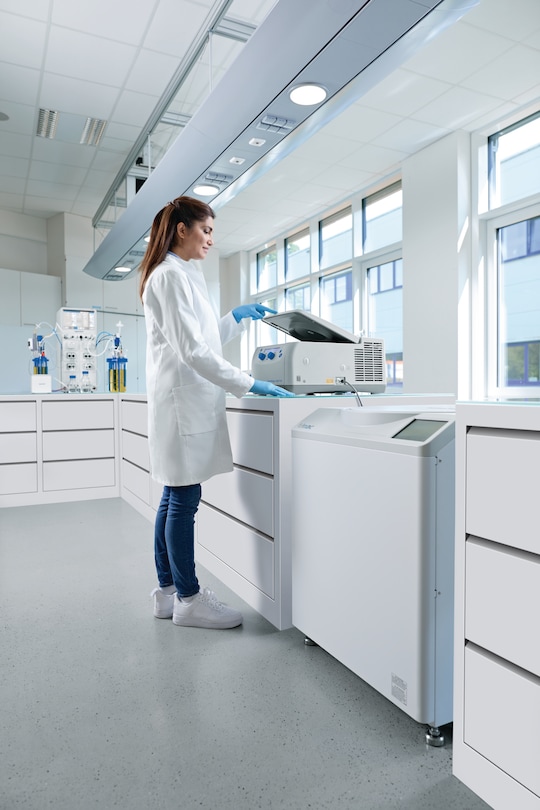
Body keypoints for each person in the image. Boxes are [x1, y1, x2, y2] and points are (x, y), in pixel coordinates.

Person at [139, 195, 294, 630]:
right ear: (182, 229)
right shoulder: (168, 276)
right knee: (183, 500)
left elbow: (200, 338)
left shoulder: (182, 273)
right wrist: (250, 384)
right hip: (182, 404)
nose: (211, 238)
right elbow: (192, 351)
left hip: (185, 401)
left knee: (173, 496)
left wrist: (234, 318)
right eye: (206, 230)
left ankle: (168, 593)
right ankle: (189, 599)